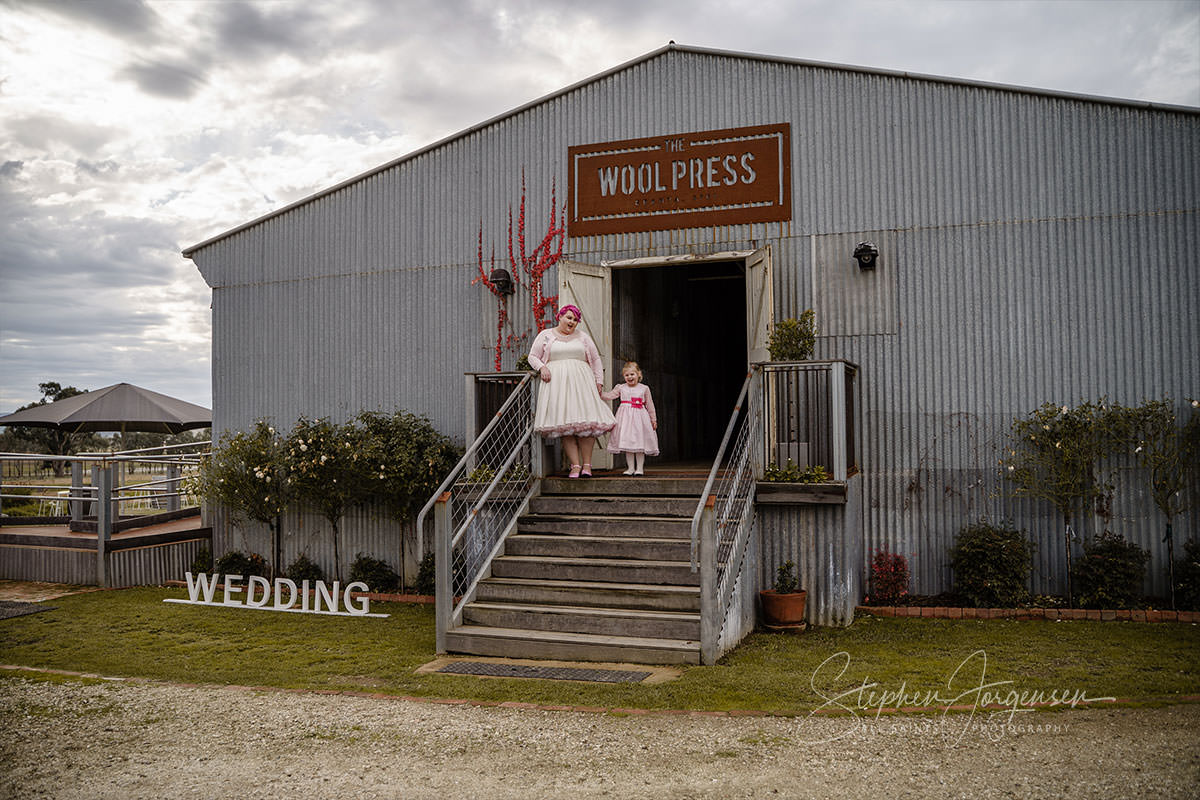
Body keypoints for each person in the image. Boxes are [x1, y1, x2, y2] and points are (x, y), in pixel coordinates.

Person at [527, 305, 615, 478]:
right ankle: (575, 465)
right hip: (558, 386)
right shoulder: (545, 335)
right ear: (559, 317)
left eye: (575, 320)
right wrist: (542, 367)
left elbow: (596, 360)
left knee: (587, 424)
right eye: (569, 318)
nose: (572, 322)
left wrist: (599, 381)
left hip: (583, 385)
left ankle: (587, 466)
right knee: (565, 425)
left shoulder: (583, 337)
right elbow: (532, 356)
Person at [602, 361, 659, 475]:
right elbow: (609, 396)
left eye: (632, 374)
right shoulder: (621, 387)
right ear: (624, 376)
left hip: (640, 419)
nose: (629, 377)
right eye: (627, 375)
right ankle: (630, 468)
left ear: (639, 374)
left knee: (639, 443)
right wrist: (599, 392)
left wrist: (653, 419)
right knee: (628, 444)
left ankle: (640, 469)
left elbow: (650, 405)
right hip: (625, 419)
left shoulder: (644, 388)